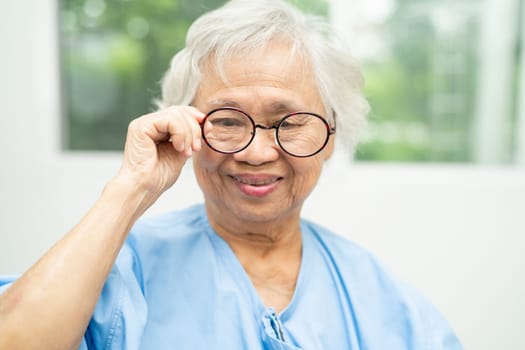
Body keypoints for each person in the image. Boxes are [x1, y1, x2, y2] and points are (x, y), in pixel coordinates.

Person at [0, 0, 463, 349]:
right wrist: (129, 190)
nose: (259, 152)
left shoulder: (377, 296)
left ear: (332, 135)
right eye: (226, 120)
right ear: (185, 131)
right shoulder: (123, 271)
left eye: (291, 121)